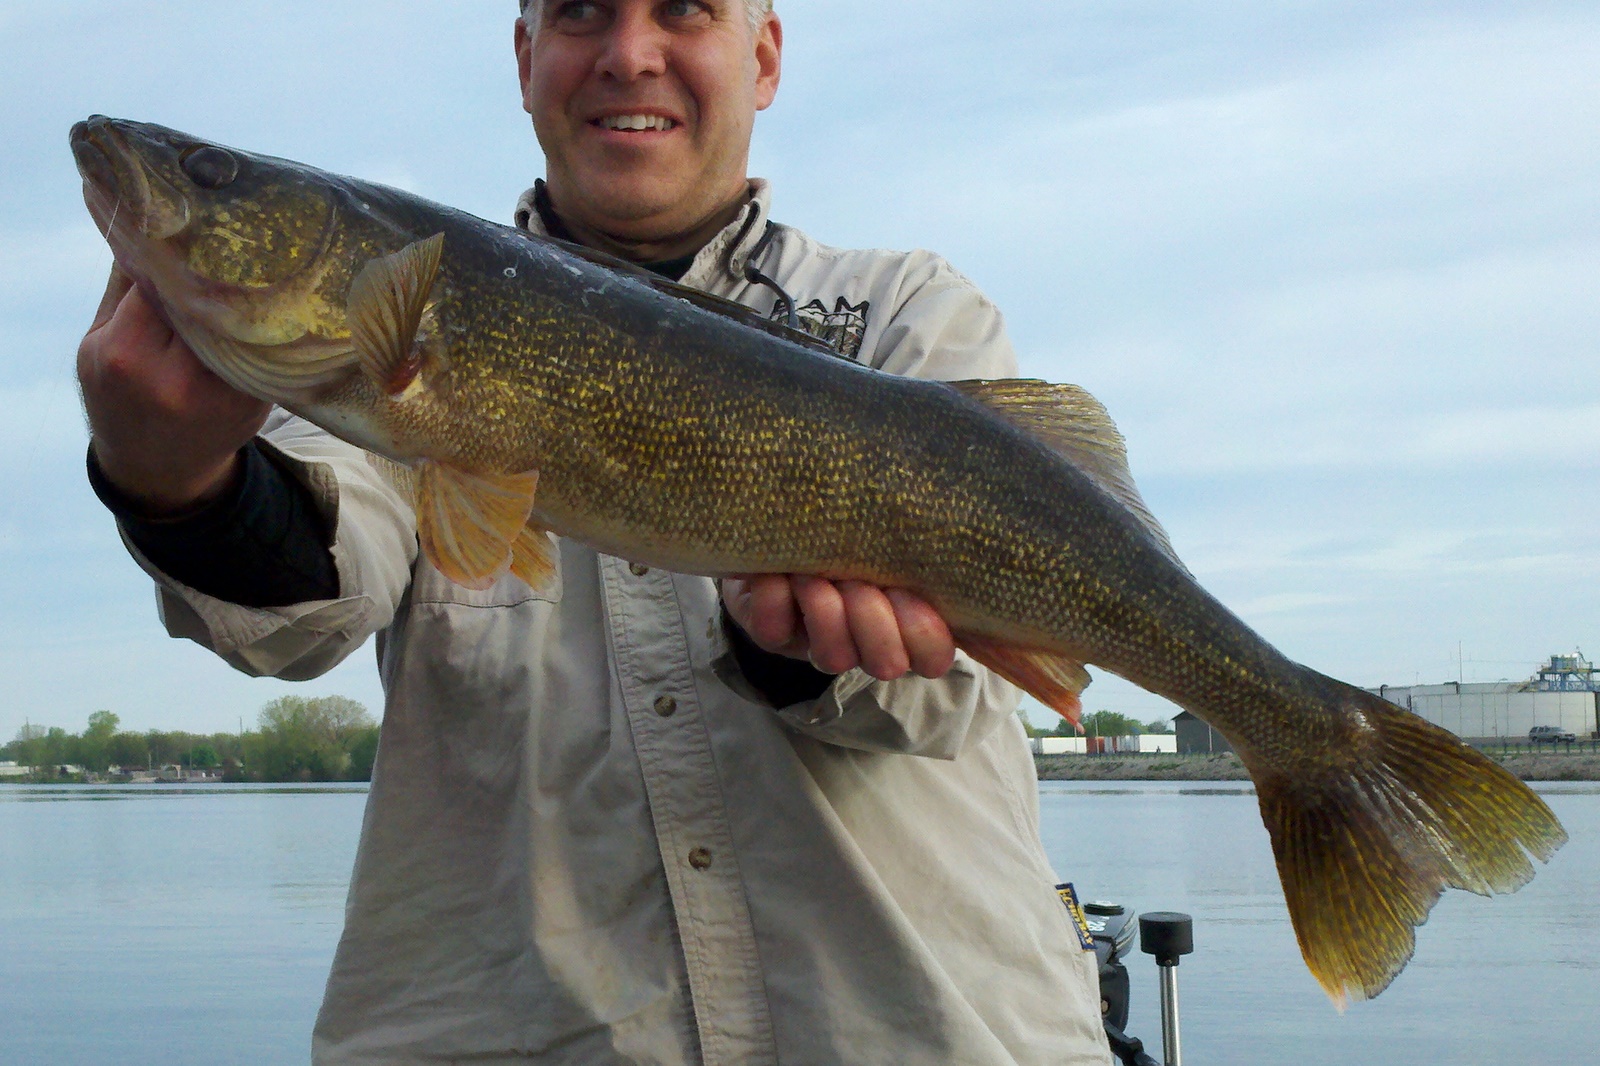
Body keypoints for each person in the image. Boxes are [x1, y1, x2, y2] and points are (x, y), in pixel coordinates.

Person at [76, 1, 1114, 1063]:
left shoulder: (906, 314)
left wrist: (795, 652)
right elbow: (309, 603)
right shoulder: (395, 332)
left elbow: (956, 697)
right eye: (579, 12)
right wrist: (177, 481)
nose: (628, 55)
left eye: (683, 11)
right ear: (525, 61)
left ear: (760, 56)